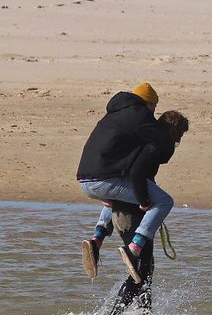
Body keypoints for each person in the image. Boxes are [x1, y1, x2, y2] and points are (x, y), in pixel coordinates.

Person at [75, 83, 184, 280]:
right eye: (153, 106)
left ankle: (97, 238)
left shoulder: (116, 114)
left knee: (120, 191)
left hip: (86, 179)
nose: (153, 113)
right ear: (149, 103)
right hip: (106, 178)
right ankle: (134, 248)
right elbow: (141, 169)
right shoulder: (139, 115)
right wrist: (144, 201)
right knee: (164, 201)